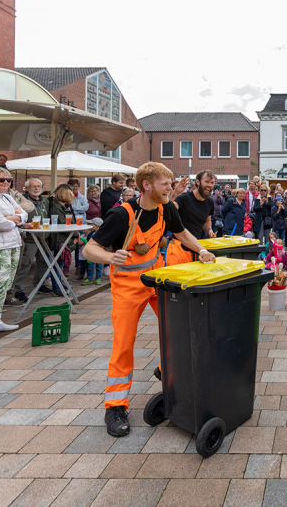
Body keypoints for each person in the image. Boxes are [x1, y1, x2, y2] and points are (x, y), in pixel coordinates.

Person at [84, 162, 217, 437]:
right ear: (147, 185)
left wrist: (201, 249)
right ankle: (115, 406)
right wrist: (109, 257)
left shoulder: (166, 208)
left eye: (170, 183)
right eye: (165, 183)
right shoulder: (121, 215)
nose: (171, 187)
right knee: (123, 344)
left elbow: (181, 233)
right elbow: (89, 249)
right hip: (126, 287)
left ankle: (164, 369)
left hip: (157, 280)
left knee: (180, 327)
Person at [0, 168, 27, 335]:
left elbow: (25, 215)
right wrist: (15, 218)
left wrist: (13, 218)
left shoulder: (6, 197)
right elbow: (0, 223)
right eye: (1, 180)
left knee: (5, 285)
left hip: (13, 244)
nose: (6, 182)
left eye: (9, 180)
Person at [166, 170, 216, 266]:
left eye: (212, 182)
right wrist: (176, 192)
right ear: (198, 182)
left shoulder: (210, 202)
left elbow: (207, 221)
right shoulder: (184, 198)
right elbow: (167, 209)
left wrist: (209, 231)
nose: (210, 185)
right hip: (178, 246)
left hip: (196, 247)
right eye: (206, 182)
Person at [12, 178, 50, 301]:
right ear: (27, 188)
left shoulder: (46, 202)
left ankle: (40, 284)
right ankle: (18, 291)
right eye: (33, 186)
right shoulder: (22, 202)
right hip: (29, 238)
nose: (36, 189)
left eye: (38, 186)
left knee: (43, 263)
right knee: (25, 265)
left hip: (44, 237)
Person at [47, 185, 79, 296]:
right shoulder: (56, 207)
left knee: (59, 264)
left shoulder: (61, 207)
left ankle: (59, 283)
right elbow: (61, 224)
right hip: (59, 240)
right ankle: (56, 288)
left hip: (63, 239)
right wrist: (75, 233)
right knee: (57, 264)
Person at [79, 217, 104, 285]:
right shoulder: (90, 234)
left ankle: (98, 278)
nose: (90, 226)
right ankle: (89, 278)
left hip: (99, 253)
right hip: (91, 253)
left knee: (99, 265)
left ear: (96, 226)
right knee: (90, 266)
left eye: (91, 224)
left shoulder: (102, 234)